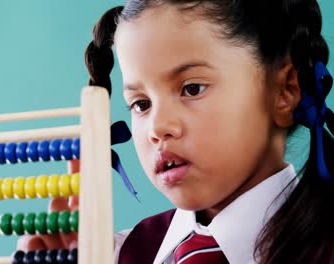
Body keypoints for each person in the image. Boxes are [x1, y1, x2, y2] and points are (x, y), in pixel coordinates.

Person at [19, 1, 334, 263]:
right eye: (141, 104)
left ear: (285, 90)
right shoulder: (116, 255)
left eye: (192, 89)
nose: (157, 128)